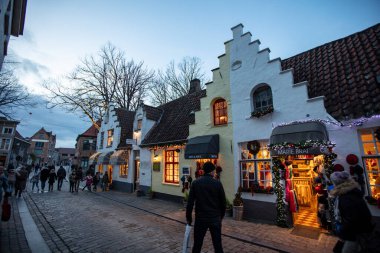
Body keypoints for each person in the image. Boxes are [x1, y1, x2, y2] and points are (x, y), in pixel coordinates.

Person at [186, 162, 226, 253]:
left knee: (197, 244)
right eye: (214, 171)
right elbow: (223, 202)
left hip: (201, 219)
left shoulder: (196, 183)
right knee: (217, 244)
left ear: (203, 171)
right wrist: (221, 216)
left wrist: (189, 218)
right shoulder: (217, 183)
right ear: (212, 171)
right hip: (215, 218)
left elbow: (190, 203)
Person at [330, 171, 373, 253]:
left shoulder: (346, 197)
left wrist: (343, 234)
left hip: (354, 234)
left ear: (337, 183)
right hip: (355, 232)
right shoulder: (351, 192)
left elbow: (352, 219)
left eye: (333, 182)